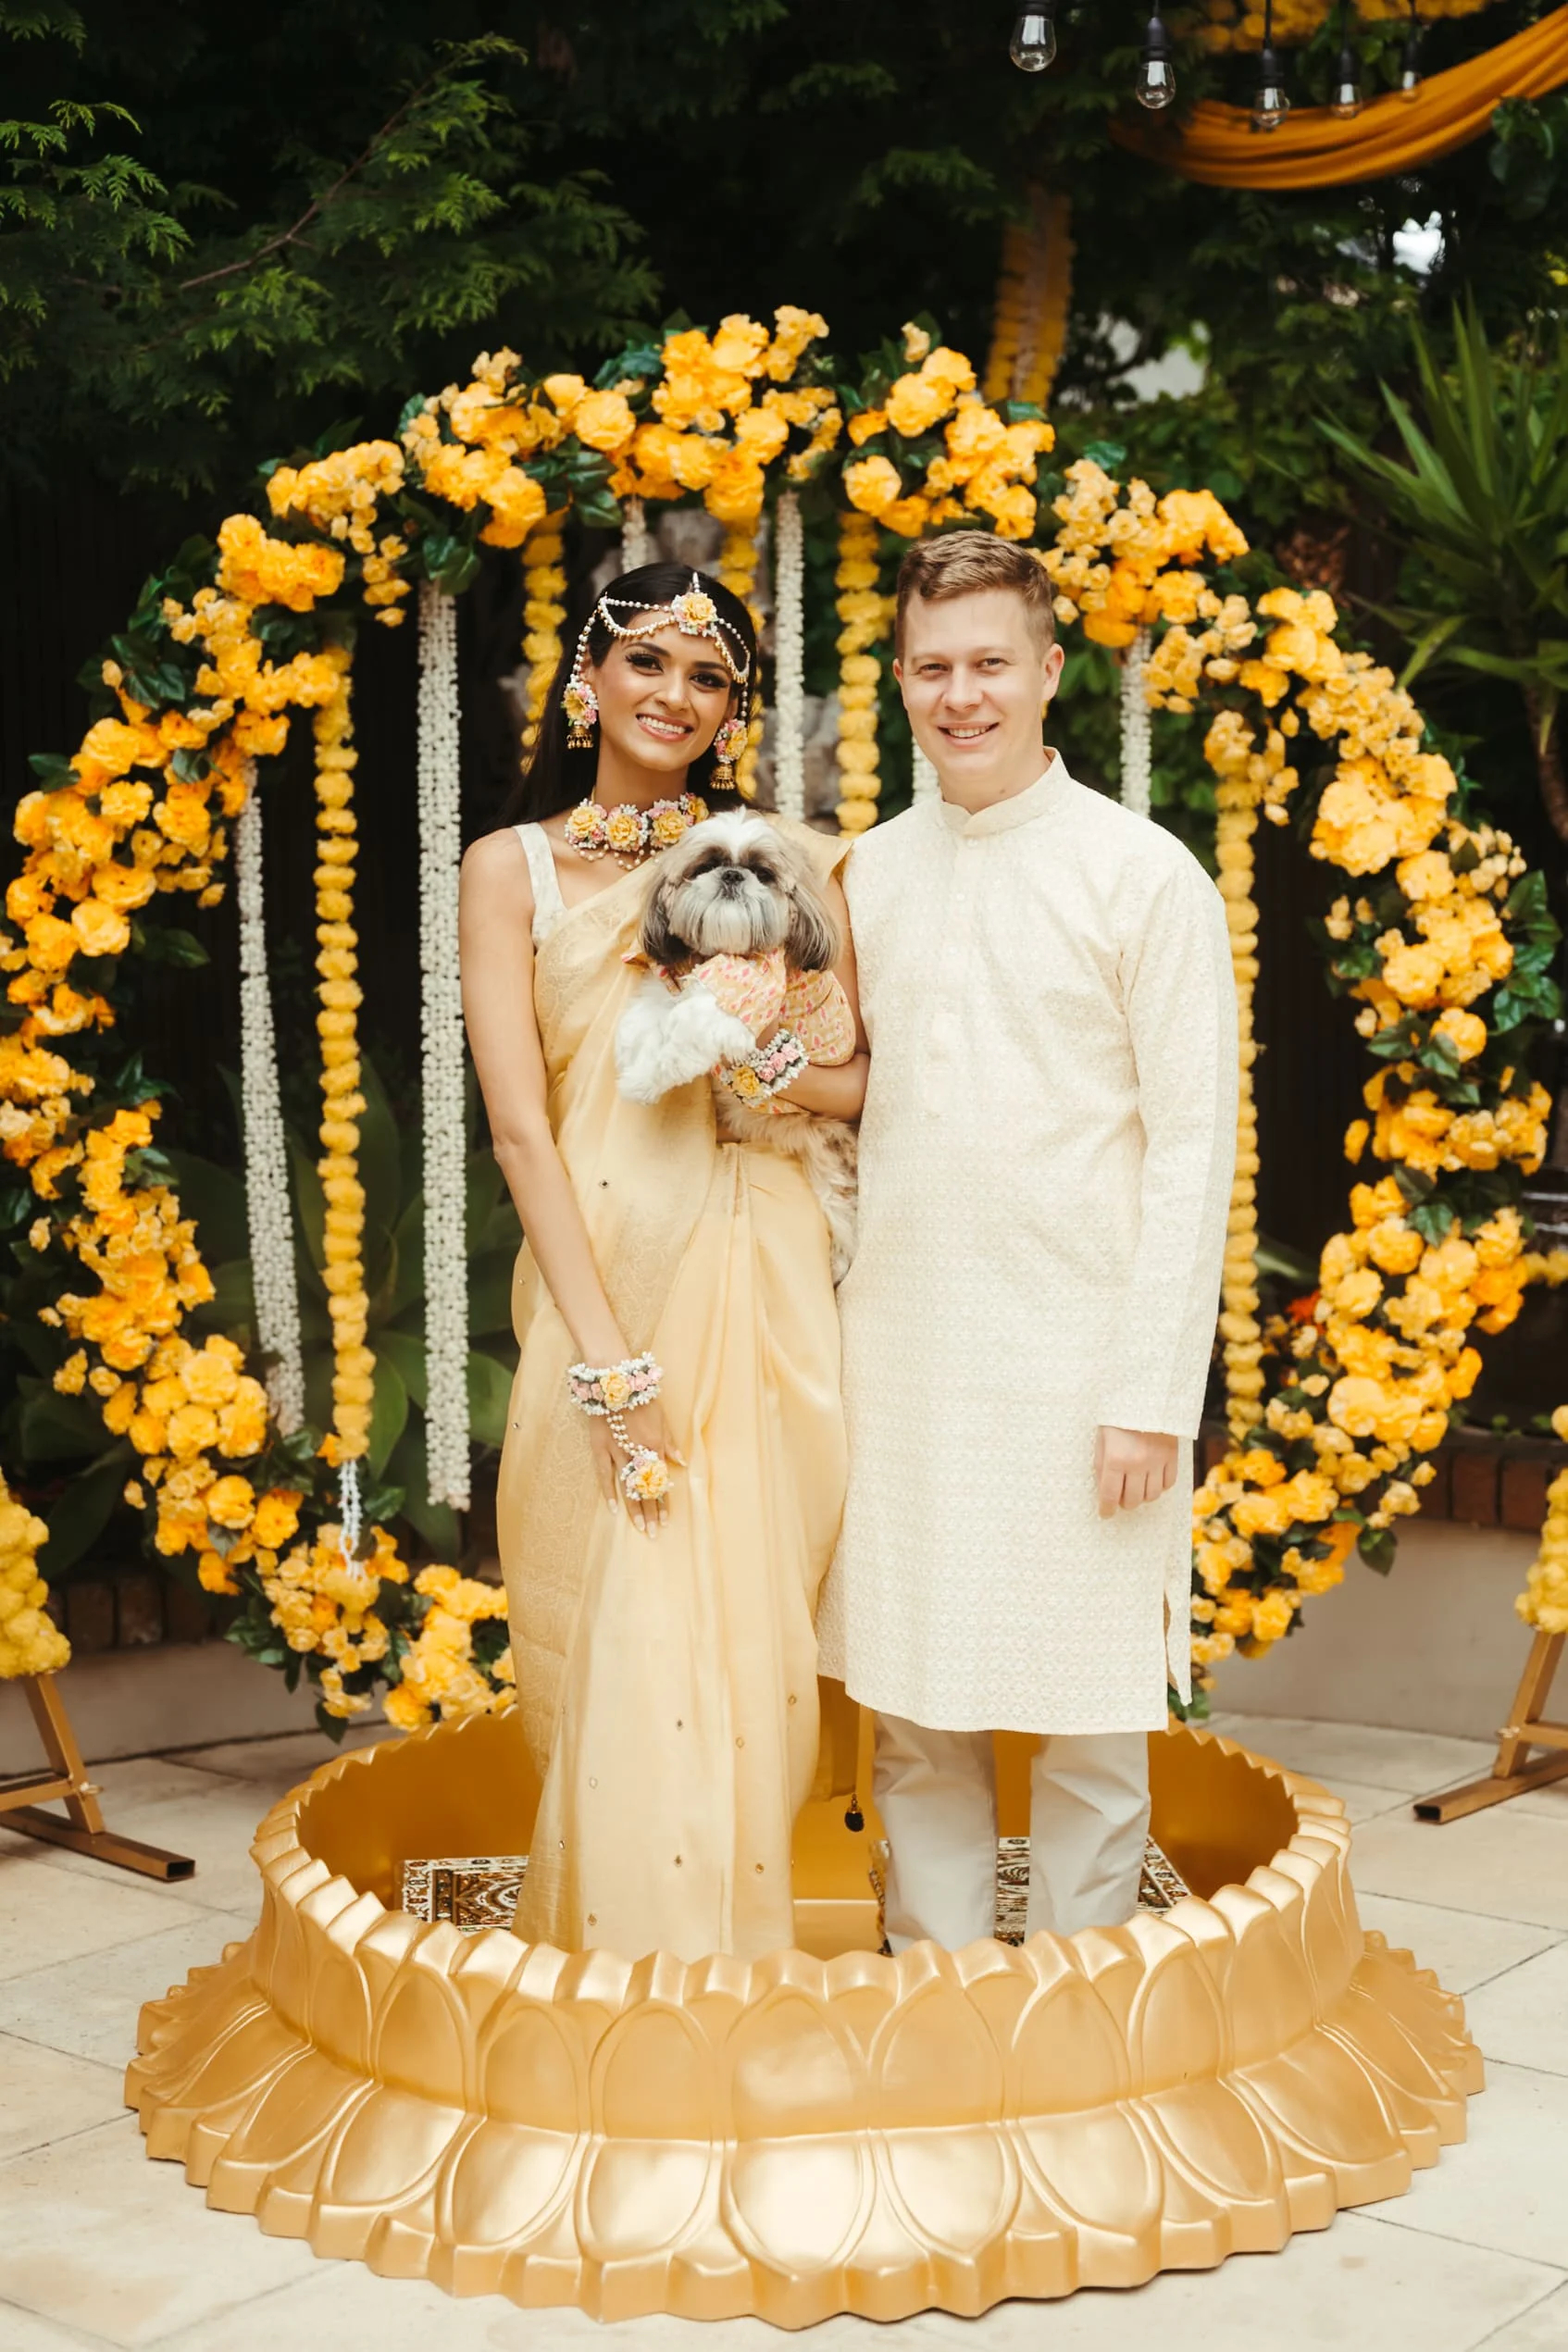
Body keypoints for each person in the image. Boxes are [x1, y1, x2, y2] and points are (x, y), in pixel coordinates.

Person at [817, 532, 1237, 1952]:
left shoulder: (1145, 875)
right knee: (915, 1714)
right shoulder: (863, 873)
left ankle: (1073, 2028)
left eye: (990, 663)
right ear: (898, 681)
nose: (961, 695)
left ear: (1048, 672)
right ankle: (936, 2009)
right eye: (932, 668)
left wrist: (1146, 1400)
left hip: (1080, 1376)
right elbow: (847, 1101)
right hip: (903, 1363)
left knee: (1086, 1729)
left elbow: (1192, 1150)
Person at [461, 563, 867, 1962]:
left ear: (733, 709)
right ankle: (624, 1965)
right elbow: (521, 1131)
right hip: (605, 1279)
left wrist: (758, 1042)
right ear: (588, 678)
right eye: (647, 663)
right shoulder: (509, 868)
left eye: (708, 679)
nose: (674, 697)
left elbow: (852, 1083)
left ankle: (729, 1954)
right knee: (612, 1611)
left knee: (746, 1607)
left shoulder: (771, 862)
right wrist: (604, 1354)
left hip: (758, 1264)